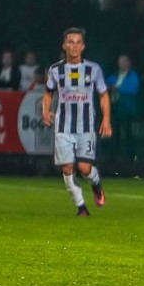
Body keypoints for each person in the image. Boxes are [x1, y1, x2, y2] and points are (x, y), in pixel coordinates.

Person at [41, 28, 111, 216]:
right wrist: (45, 110)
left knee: (84, 167)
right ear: (64, 45)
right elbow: (48, 93)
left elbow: (103, 95)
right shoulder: (55, 70)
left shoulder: (93, 69)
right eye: (70, 42)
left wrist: (107, 119)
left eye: (77, 42)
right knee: (67, 167)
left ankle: (96, 183)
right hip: (63, 127)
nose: (74, 46)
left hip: (85, 127)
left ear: (83, 46)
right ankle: (81, 207)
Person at [107, 54, 140, 160]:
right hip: (115, 108)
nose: (122, 64)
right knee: (114, 133)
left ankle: (129, 156)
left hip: (126, 109)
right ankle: (113, 156)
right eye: (120, 62)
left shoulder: (133, 75)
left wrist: (117, 89)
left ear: (129, 63)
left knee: (127, 132)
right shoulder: (115, 75)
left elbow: (133, 89)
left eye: (124, 61)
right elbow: (106, 84)